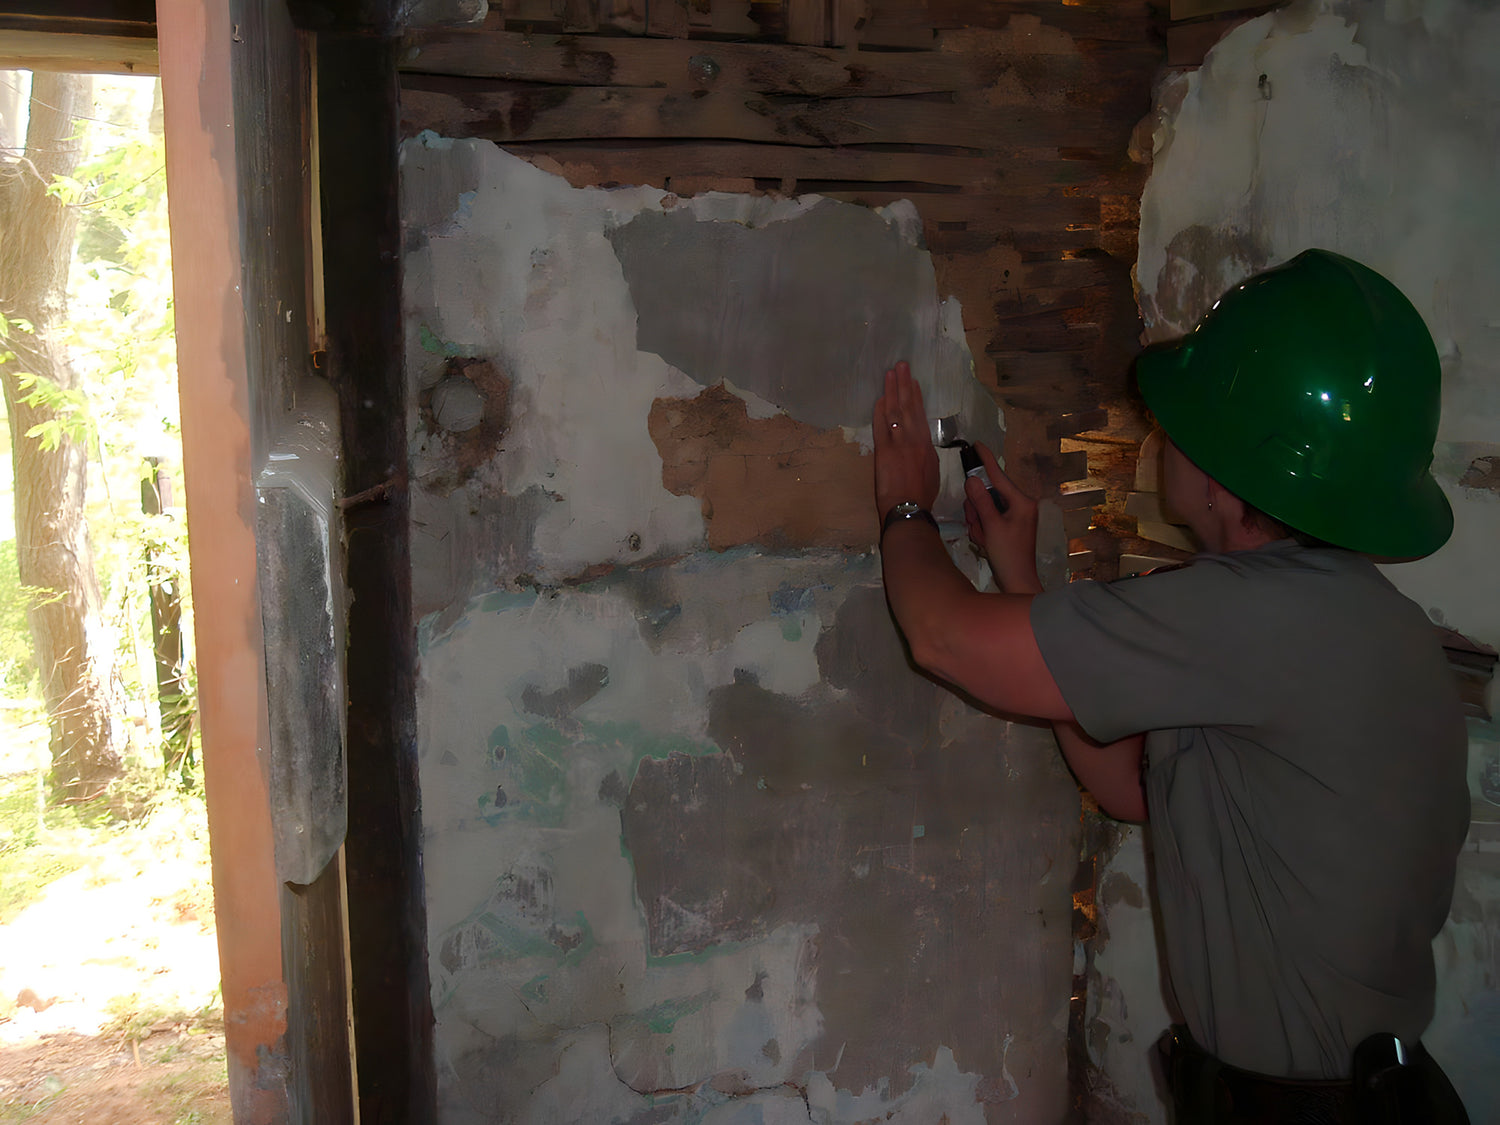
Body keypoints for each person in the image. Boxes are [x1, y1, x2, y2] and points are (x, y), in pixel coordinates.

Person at [872, 249, 1471, 1123]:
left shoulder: (1252, 618)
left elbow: (939, 638)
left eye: (1180, 420)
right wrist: (1020, 582)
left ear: (1233, 473)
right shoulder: (1367, 622)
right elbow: (1130, 787)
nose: (1160, 436)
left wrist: (905, 508)